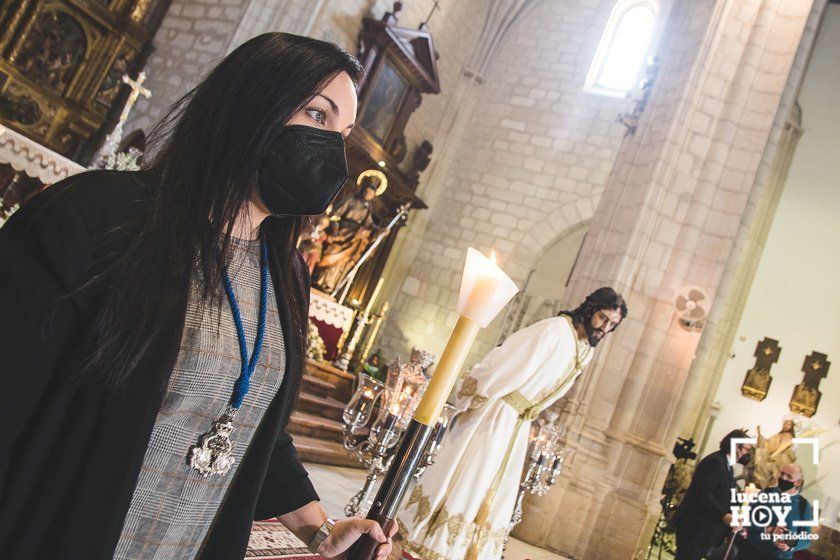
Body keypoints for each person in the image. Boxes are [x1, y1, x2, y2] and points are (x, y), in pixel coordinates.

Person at [0, 33, 397, 559]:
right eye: (317, 116)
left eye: (342, 135)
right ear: (251, 105)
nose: (332, 153)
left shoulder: (285, 276)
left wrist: (321, 529)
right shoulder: (97, 220)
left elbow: (251, 421)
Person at [398, 287, 627, 560]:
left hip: (517, 424)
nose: (605, 327)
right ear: (590, 309)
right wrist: (472, 393)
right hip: (497, 416)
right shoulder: (554, 329)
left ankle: (461, 551)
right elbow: (505, 361)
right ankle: (433, 543)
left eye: (613, 324)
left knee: (491, 491)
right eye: (603, 318)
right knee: (471, 479)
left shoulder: (585, 350)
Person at [671, 430, 754, 560]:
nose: (746, 454)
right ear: (735, 446)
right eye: (746, 449)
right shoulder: (715, 462)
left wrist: (740, 495)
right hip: (695, 528)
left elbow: (720, 493)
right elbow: (703, 495)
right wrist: (723, 515)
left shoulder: (727, 464)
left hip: (702, 530)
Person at [736, 464, 813, 560]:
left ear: (798, 482)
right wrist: (768, 530)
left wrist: (790, 545)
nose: (783, 478)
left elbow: (806, 539)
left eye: (789, 476)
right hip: (751, 550)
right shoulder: (766, 493)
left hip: (778, 556)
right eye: (782, 474)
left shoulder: (804, 505)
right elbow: (746, 519)